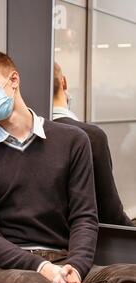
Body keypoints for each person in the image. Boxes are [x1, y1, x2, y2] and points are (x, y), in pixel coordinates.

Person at [0, 51, 136, 283]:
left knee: (130, 277)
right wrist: (42, 268)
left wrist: (76, 267)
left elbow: (85, 217)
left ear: (13, 80)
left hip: (65, 261)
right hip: (9, 270)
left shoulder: (73, 141)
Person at [53, 62, 134, 226]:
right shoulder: (90, 137)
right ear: (64, 82)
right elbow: (109, 213)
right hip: (82, 242)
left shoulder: (20, 136)